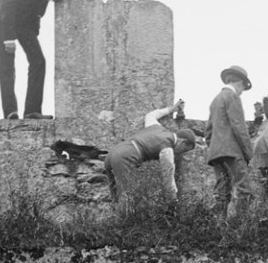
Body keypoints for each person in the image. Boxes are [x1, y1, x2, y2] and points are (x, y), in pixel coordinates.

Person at [0, 0, 75, 119]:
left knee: (38, 61)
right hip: (6, 19)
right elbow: (8, 6)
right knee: (7, 65)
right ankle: (10, 112)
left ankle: (32, 111)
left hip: (26, 23)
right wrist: (9, 39)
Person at [103, 100, 197, 201]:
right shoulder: (167, 149)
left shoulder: (156, 127)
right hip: (124, 158)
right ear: (183, 142)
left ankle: (116, 209)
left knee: (115, 198)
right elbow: (168, 177)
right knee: (126, 198)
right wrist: (173, 199)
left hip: (112, 153)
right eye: (184, 150)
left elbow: (151, 115)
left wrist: (172, 109)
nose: (180, 152)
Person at [206, 65, 254, 219]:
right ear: (240, 83)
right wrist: (248, 153)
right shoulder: (232, 97)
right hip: (232, 152)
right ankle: (242, 226)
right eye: (243, 88)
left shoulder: (215, 100)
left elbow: (208, 132)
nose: (242, 92)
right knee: (244, 189)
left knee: (221, 192)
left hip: (216, 154)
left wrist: (215, 148)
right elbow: (239, 127)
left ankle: (218, 224)